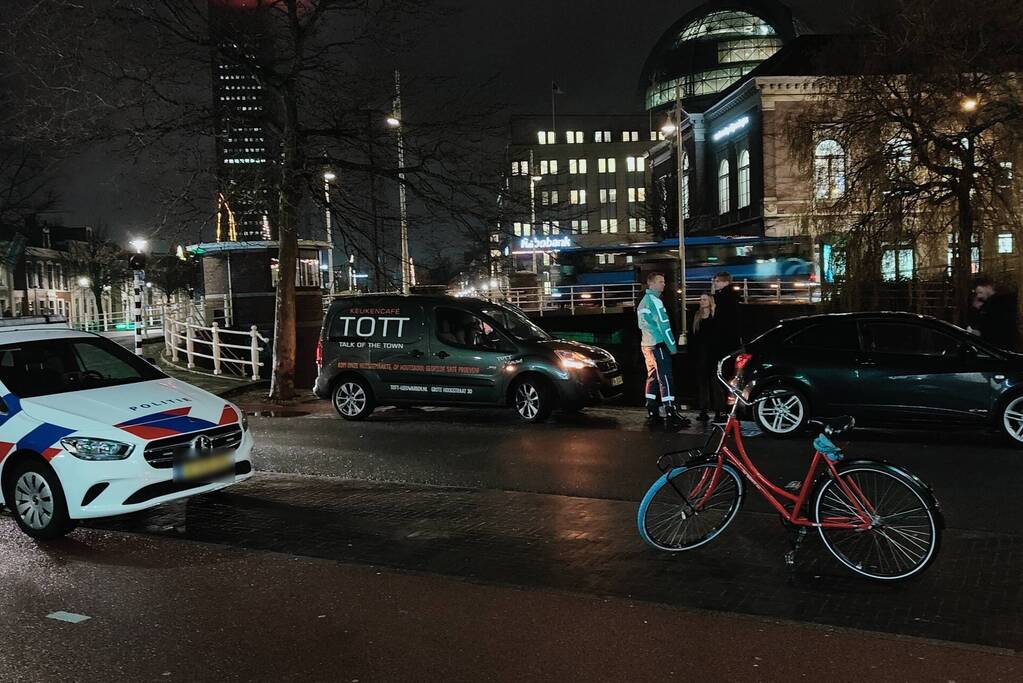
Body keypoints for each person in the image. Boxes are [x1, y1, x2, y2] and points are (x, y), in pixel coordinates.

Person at [638, 272, 689, 430]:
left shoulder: (643, 301)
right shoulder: (655, 301)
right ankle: (671, 412)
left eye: (664, 281)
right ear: (651, 284)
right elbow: (664, 326)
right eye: (660, 281)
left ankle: (652, 410)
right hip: (658, 344)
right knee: (665, 378)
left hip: (646, 345)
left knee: (652, 377)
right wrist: (673, 347)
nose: (664, 284)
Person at [691, 293, 726, 423]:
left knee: (715, 383)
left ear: (710, 301)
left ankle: (718, 411)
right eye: (701, 299)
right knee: (702, 383)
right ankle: (703, 410)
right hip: (701, 354)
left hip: (713, 353)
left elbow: (719, 333)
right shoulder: (697, 316)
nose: (702, 301)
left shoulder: (714, 316)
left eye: (704, 299)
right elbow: (694, 336)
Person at [972, 274, 1019, 351]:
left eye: (980, 292)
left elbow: (997, 326)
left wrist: (981, 333)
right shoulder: (988, 303)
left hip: (998, 346)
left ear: (988, 287)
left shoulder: (998, 303)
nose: (978, 296)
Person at [711, 271, 742, 354]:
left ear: (726, 282)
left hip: (725, 332)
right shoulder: (732, 294)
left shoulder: (723, 296)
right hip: (732, 332)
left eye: (717, 281)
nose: (715, 283)